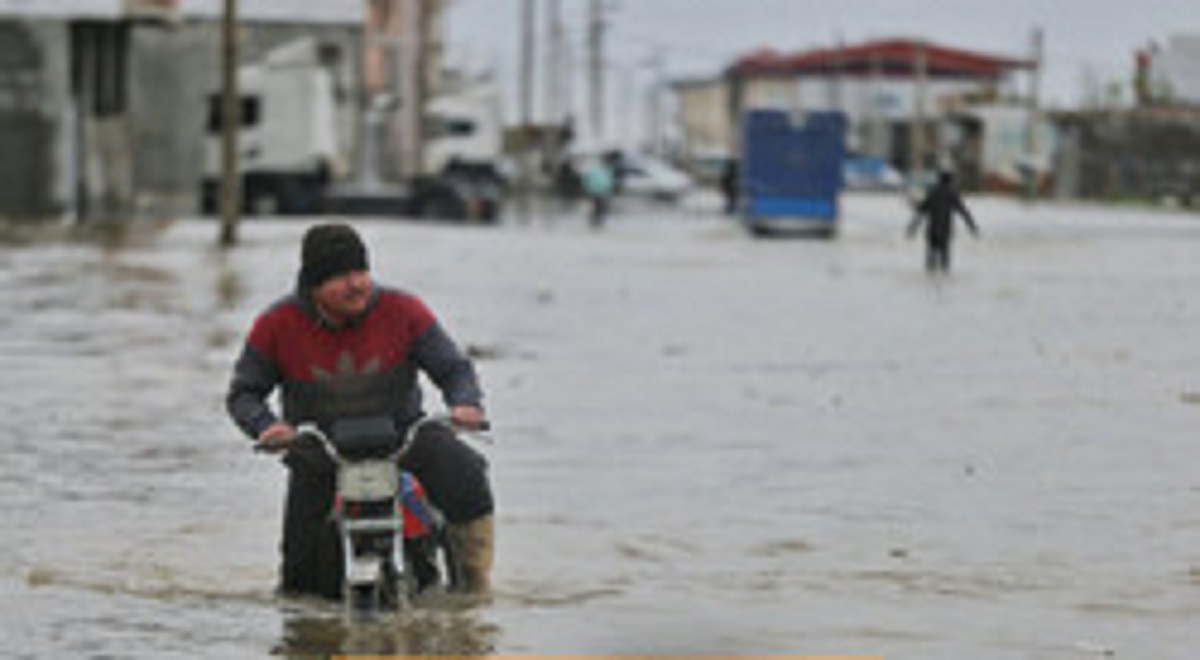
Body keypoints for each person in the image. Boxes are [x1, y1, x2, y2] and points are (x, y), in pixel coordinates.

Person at [226, 223, 495, 598]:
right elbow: (244, 394)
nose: (356, 284)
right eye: (340, 276)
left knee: (466, 471)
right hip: (320, 452)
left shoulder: (404, 310)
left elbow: (453, 368)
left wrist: (465, 403)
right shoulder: (276, 325)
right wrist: (266, 427)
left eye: (360, 271)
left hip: (404, 440)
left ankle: (475, 587)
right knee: (300, 588)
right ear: (313, 286)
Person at [907, 171, 980, 272]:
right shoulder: (952, 194)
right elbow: (963, 212)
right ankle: (944, 279)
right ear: (950, 181)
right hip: (945, 230)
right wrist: (972, 227)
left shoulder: (932, 193)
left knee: (931, 258)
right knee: (945, 258)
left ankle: (930, 279)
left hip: (932, 230)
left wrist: (912, 228)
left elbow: (921, 212)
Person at [581, 157, 614, 228]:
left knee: (595, 207)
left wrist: (586, 189)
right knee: (600, 207)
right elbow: (608, 182)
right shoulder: (606, 171)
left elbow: (586, 181)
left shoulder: (593, 171)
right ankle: (598, 221)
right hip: (601, 192)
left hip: (592, 191)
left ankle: (593, 220)